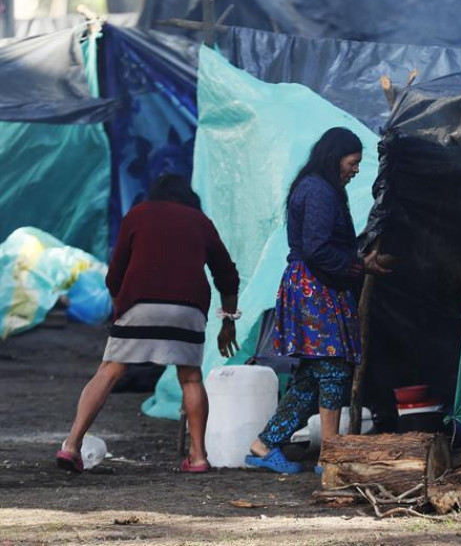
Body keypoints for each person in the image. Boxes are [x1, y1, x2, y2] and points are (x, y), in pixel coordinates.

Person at [56, 174, 240, 474]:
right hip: (188, 309)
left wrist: (121, 313)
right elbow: (227, 274)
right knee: (191, 378)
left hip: (139, 304)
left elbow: (115, 274)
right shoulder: (201, 221)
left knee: (109, 371)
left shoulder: (137, 215)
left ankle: (72, 445)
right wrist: (228, 321)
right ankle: (198, 457)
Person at [246, 127, 390, 474]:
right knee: (333, 368)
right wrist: (360, 264)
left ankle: (264, 445)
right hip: (315, 289)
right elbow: (317, 248)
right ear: (334, 157)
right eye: (352, 163)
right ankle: (331, 456)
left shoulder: (319, 187)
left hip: (316, 286)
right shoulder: (320, 192)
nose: (355, 170)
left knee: (311, 378)